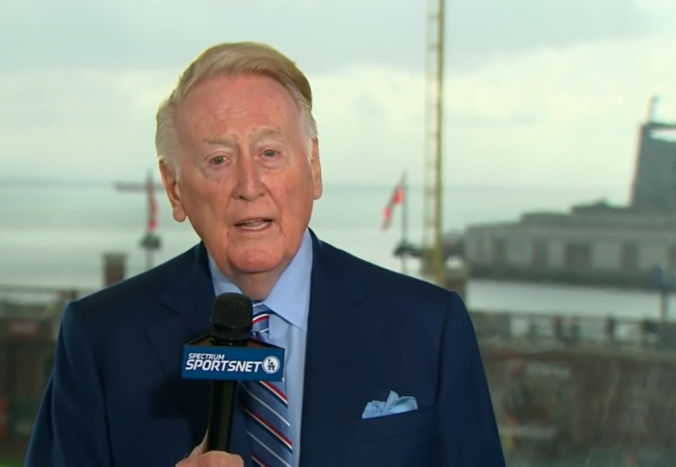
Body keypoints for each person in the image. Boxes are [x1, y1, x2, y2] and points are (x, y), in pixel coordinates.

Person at [25, 41, 505, 467]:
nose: (249, 185)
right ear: (174, 188)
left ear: (314, 167)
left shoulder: (428, 328)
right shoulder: (100, 340)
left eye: (270, 153)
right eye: (219, 160)